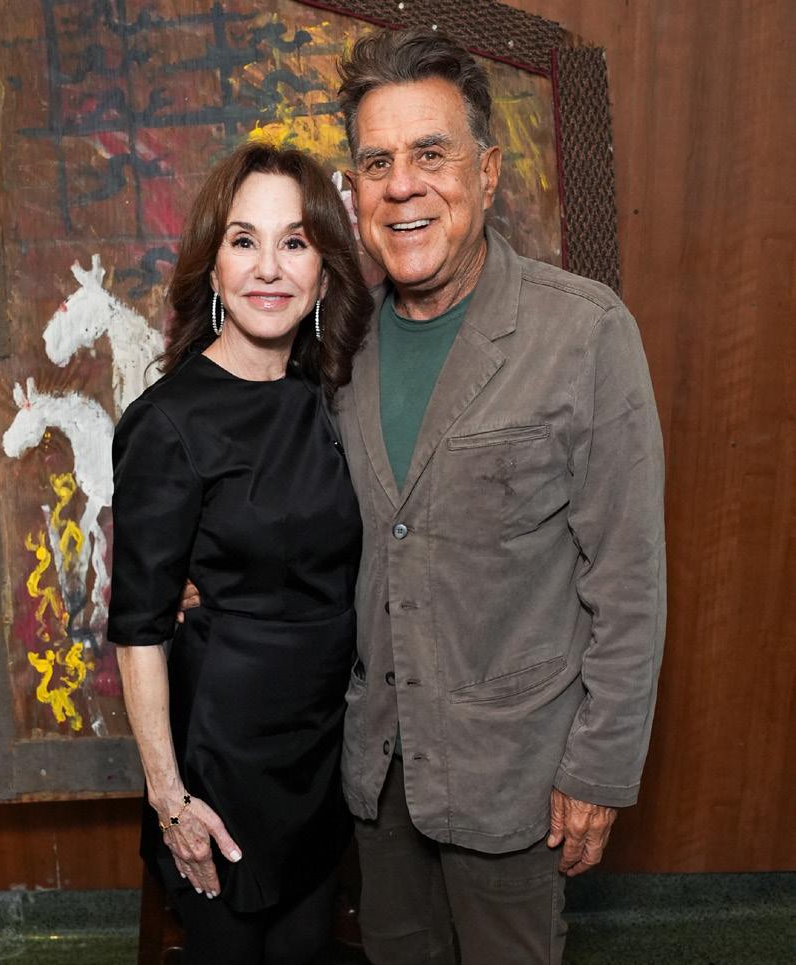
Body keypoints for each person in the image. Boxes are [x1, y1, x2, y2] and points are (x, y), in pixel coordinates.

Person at [331, 27, 667, 965]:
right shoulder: (338, 345)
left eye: (430, 154)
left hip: (516, 782)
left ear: (485, 173)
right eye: (377, 162)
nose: (402, 185)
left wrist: (598, 770)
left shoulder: (584, 334)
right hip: (378, 777)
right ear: (354, 190)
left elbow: (628, 580)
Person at [107, 142, 372, 965]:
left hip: (320, 753)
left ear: (323, 274)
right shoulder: (168, 421)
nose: (268, 267)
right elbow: (139, 627)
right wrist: (170, 799)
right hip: (220, 764)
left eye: (294, 242)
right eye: (243, 240)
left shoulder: (329, 402)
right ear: (213, 268)